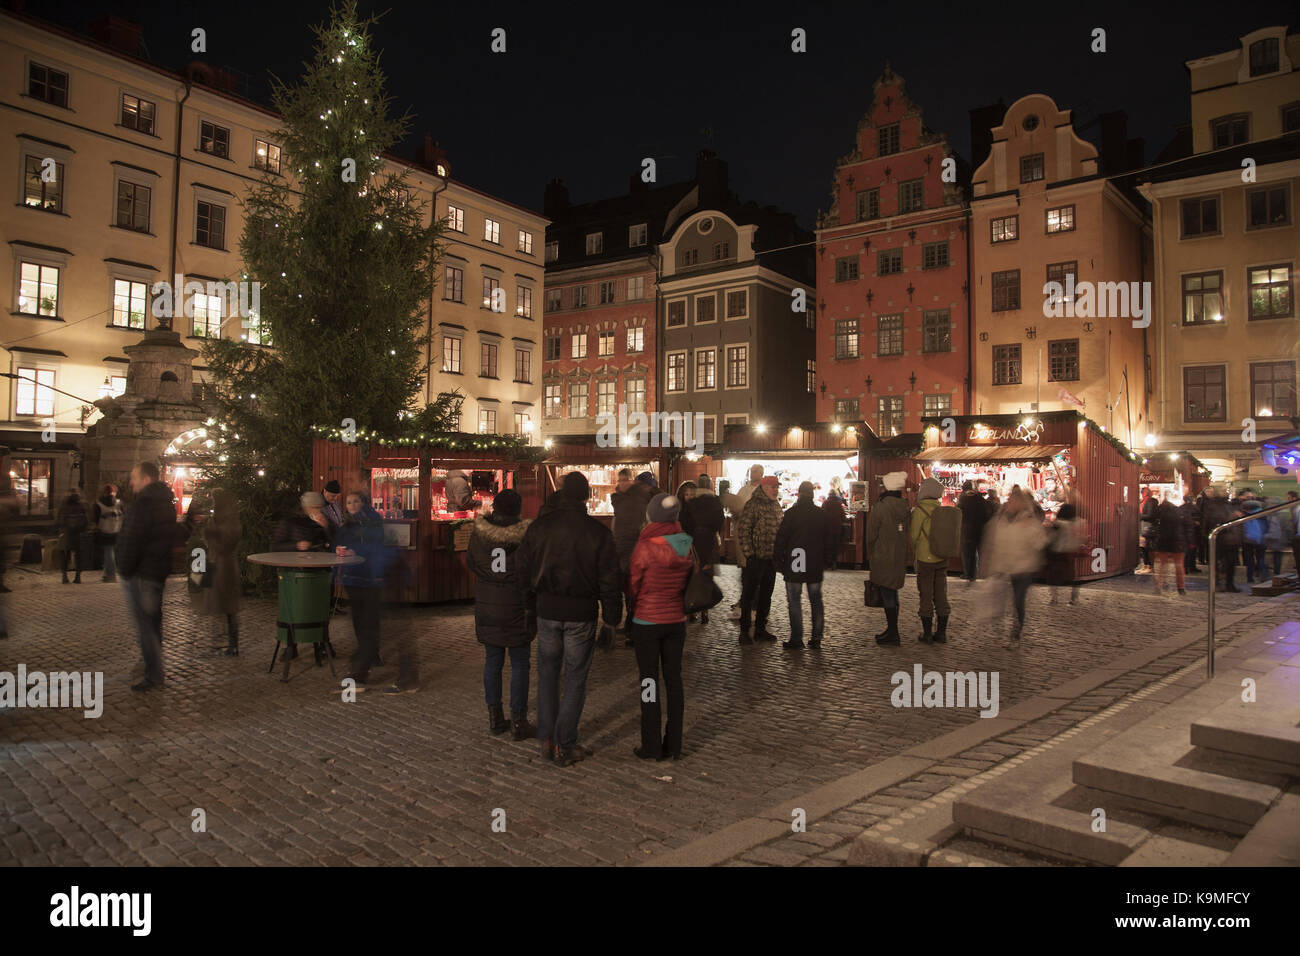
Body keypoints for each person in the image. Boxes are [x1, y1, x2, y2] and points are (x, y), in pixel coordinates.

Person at [517, 472, 622, 767]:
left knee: (549, 676)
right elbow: (610, 579)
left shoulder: (539, 528)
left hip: (548, 610)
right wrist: (612, 619)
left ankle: (549, 738)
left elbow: (522, 570)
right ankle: (565, 742)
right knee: (575, 678)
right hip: (580, 612)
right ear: (585, 496)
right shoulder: (597, 532)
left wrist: (529, 607)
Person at [628, 492, 693, 760]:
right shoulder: (686, 544)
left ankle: (651, 743)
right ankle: (674, 743)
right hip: (676, 620)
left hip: (647, 620)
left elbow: (633, 584)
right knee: (674, 680)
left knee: (649, 681)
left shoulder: (645, 545)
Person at [465, 489, 534, 738]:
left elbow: (471, 562)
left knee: (492, 662)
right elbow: (531, 568)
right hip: (517, 605)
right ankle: (518, 721)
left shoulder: (480, 532)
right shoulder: (525, 534)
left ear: (494, 507)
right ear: (517, 509)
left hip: (488, 604)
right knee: (519, 664)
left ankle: (495, 717)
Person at [115, 462, 178, 691]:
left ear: (146, 479)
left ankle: (153, 673)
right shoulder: (167, 503)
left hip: (141, 573)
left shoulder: (144, 504)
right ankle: (152, 666)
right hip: (156, 571)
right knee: (152, 622)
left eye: (134, 477)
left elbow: (132, 538)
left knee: (146, 625)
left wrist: (123, 567)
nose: (131, 482)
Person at [334, 491, 397, 690]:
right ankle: (371, 656)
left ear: (363, 502)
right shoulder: (348, 524)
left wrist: (356, 551)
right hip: (354, 578)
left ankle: (359, 673)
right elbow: (338, 543)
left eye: (355, 501)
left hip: (370, 577)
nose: (352, 505)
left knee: (368, 623)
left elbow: (376, 546)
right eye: (349, 502)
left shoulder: (373, 521)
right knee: (360, 620)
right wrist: (338, 550)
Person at [983, 488, 1048, 647]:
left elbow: (1041, 542)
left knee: (1018, 600)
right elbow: (997, 542)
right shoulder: (1003, 519)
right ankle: (1011, 630)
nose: (1010, 503)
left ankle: (1015, 635)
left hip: (1026, 567)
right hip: (1011, 566)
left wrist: (1031, 530)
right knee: (1011, 598)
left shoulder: (1029, 519)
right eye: (1010, 501)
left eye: (1013, 501)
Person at [776, 480, 834, 649]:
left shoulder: (792, 513)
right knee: (816, 599)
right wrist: (828, 559)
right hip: (815, 560)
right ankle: (816, 637)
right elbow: (829, 539)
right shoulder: (821, 514)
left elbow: (782, 538)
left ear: (799, 494)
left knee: (794, 599)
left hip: (796, 558)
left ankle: (796, 637)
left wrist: (778, 559)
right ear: (813, 495)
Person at [909, 476, 958, 643]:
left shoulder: (920, 511)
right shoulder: (942, 509)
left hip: (925, 558)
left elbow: (914, 536)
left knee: (926, 595)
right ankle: (942, 633)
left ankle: (928, 634)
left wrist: (914, 550)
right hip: (942, 557)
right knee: (941, 594)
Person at [735, 475, 782, 645]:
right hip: (755, 559)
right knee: (748, 595)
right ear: (764, 488)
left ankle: (761, 629)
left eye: (777, 487)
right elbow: (744, 531)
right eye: (772, 487)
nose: (776, 490)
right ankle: (744, 631)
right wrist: (750, 555)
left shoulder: (776, 506)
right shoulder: (753, 505)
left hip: (770, 559)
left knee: (766, 595)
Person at [867, 472, 910, 646]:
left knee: (887, 592)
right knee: (893, 591)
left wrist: (871, 553)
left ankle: (893, 632)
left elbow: (871, 533)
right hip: (898, 555)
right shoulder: (905, 506)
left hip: (883, 554)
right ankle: (891, 629)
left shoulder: (881, 506)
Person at [611, 468, 654, 639]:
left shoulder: (636, 499)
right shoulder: (622, 500)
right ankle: (630, 624)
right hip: (622, 548)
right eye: (620, 480)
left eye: (625, 480)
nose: (622, 483)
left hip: (634, 549)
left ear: (631, 480)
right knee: (627, 589)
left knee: (632, 590)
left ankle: (633, 626)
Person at [203, 488, 243, 655]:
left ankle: (230, 645)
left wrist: (210, 535)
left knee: (226, 607)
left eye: (213, 499)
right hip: (219, 565)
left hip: (224, 568)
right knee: (222, 607)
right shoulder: (222, 519)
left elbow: (224, 545)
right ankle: (225, 644)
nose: (211, 502)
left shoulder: (227, 521)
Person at [684, 475, 724, 623]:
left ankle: (691, 610)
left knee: (692, 575)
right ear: (710, 486)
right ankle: (704, 611)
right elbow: (720, 523)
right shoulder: (715, 502)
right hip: (709, 542)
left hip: (693, 542)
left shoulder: (692, 503)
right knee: (706, 576)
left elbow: (686, 523)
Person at [1047, 491, 1083, 605]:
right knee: (1073, 576)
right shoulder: (1079, 522)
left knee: (1054, 576)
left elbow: (1051, 536)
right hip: (1072, 551)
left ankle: (1054, 598)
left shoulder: (1058, 524)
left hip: (1058, 551)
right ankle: (1074, 598)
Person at [1151, 492, 1188, 597]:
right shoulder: (1180, 511)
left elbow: (1154, 523)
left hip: (1164, 541)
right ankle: (1181, 587)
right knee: (1179, 565)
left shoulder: (1160, 511)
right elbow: (1187, 526)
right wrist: (1189, 541)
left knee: (1162, 565)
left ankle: (1159, 585)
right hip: (1178, 540)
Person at [957, 480, 989, 583]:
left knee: (967, 552)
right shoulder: (980, 499)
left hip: (966, 528)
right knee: (978, 552)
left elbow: (958, 514)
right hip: (979, 528)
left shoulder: (963, 499)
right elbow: (986, 513)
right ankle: (978, 573)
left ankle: (968, 574)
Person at [57, 487, 88, 584]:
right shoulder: (82, 505)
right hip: (78, 533)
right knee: (79, 555)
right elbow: (86, 519)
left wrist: (60, 529)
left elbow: (59, 519)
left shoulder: (64, 505)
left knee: (65, 554)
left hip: (66, 532)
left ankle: (64, 576)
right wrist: (83, 529)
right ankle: (78, 576)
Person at [92, 484, 123, 583]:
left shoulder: (99, 503)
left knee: (108, 552)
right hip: (117, 529)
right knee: (111, 551)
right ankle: (108, 573)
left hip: (104, 530)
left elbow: (95, 517)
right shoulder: (119, 503)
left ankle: (110, 574)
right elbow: (124, 515)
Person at [1239, 496, 1267, 585]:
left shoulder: (1243, 515)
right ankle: (1262, 575)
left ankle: (1250, 578)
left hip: (1247, 540)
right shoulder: (1263, 514)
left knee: (1249, 560)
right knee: (1261, 558)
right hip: (1260, 539)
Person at [822, 480, 847, 571]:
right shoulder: (838, 504)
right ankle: (834, 563)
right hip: (837, 528)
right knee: (835, 546)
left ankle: (827, 564)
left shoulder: (825, 503)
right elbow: (843, 516)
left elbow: (822, 514)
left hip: (827, 529)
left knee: (827, 546)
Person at [1181, 494, 1201, 574]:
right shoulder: (1195, 508)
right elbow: (1199, 518)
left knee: (1187, 551)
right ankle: (1191, 566)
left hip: (1186, 532)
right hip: (1193, 531)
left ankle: (1186, 567)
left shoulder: (1181, 508)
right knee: (1192, 550)